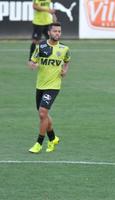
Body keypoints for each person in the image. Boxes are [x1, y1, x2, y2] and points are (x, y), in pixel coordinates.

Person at [28, 22, 71, 153]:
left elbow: (67, 60)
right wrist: (33, 65)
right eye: (55, 31)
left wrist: (65, 70)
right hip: (40, 85)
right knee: (44, 115)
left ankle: (39, 143)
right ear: (49, 32)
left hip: (53, 86)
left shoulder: (64, 49)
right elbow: (33, 60)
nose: (57, 33)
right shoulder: (40, 46)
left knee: (42, 113)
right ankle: (53, 138)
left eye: (59, 31)